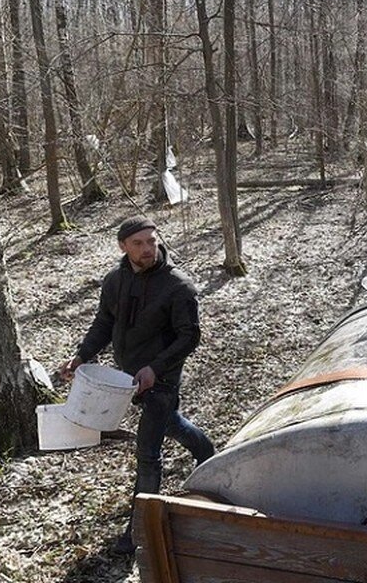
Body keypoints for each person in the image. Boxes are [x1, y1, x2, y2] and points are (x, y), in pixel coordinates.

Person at [60, 216, 215, 554]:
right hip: (126, 376)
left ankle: (138, 534)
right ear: (123, 247)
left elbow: (190, 337)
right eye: (138, 243)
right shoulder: (115, 280)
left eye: (151, 241)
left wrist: (155, 370)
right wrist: (81, 357)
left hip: (162, 377)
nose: (147, 249)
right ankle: (207, 452)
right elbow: (104, 322)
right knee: (170, 424)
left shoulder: (179, 287)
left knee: (148, 453)